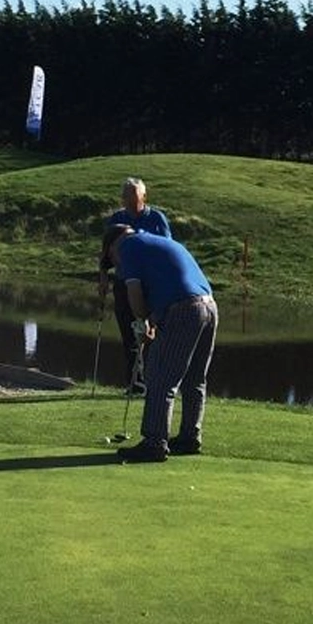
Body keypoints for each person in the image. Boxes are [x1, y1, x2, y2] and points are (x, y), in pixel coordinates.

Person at [102, 223, 217, 463]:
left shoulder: (128, 247)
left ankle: (154, 443)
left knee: (160, 377)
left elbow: (134, 293)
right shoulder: (156, 242)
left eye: (112, 259)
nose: (117, 266)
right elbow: (169, 284)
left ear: (114, 246)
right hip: (209, 307)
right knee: (194, 378)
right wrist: (153, 321)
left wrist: (142, 321)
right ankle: (189, 437)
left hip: (185, 309)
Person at [98, 177, 170, 392]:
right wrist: (103, 278)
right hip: (124, 282)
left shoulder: (157, 219)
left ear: (143, 196)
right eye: (125, 195)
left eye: (133, 194)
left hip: (150, 285)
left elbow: (166, 251)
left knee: (151, 333)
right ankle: (135, 383)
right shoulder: (117, 219)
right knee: (129, 334)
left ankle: (156, 381)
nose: (128, 199)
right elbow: (106, 253)